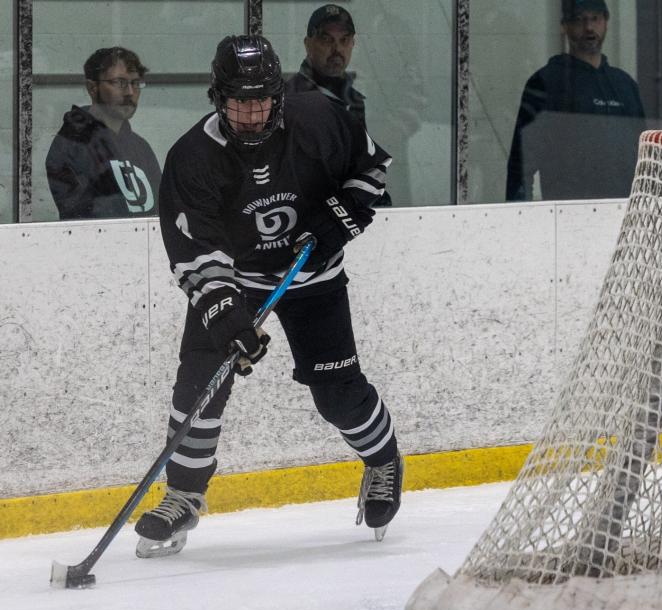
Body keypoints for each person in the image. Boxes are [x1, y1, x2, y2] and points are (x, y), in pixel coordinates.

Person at [135, 34, 402, 558]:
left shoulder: (319, 119)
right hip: (238, 279)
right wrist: (226, 314)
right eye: (239, 101)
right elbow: (195, 254)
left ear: (278, 96)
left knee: (337, 394)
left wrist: (336, 223)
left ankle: (383, 459)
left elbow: (370, 173)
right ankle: (184, 494)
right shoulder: (193, 157)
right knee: (199, 383)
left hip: (313, 276)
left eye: (260, 100)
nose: (251, 114)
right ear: (218, 97)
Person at [505, 0, 645, 202]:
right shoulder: (546, 82)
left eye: (595, 18)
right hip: (566, 218)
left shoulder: (625, 86)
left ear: (606, 22)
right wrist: (520, 219)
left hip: (624, 215)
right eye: (579, 19)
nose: (589, 27)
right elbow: (521, 164)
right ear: (564, 26)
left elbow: (645, 160)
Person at [286, 4, 391, 205]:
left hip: (347, 216)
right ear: (308, 44)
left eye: (344, 40)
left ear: (353, 43)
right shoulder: (291, 100)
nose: (337, 49)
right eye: (327, 39)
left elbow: (360, 167)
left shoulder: (353, 101)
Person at [45, 47, 162, 220]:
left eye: (136, 83)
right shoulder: (71, 145)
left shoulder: (141, 147)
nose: (130, 92)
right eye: (119, 83)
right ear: (92, 88)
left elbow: (161, 209)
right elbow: (82, 219)